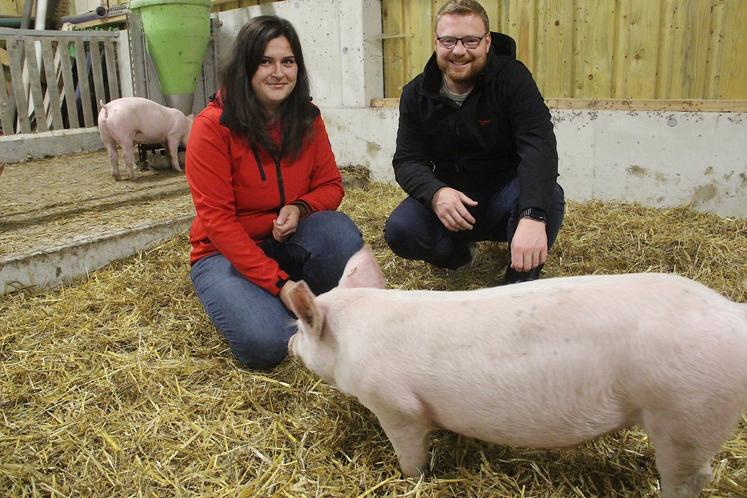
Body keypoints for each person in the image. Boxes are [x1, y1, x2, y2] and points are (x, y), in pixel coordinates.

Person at [186, 16, 363, 370]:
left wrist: (299, 207)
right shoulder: (212, 127)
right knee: (268, 344)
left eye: (288, 61)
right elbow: (218, 222)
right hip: (224, 253)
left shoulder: (307, 118)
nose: (278, 72)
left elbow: (331, 186)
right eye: (265, 61)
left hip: (285, 239)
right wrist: (280, 284)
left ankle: (309, 301)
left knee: (338, 231)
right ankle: (244, 295)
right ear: (246, 67)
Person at [384, 0, 565, 283]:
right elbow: (407, 160)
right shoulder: (416, 94)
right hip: (453, 203)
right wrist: (436, 193)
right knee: (401, 230)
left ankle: (517, 285)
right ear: (436, 42)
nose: (458, 51)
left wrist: (532, 215)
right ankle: (458, 256)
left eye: (470, 41)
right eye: (449, 41)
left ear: (487, 41)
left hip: (505, 196)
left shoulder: (512, 80)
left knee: (547, 199)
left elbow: (538, 146)